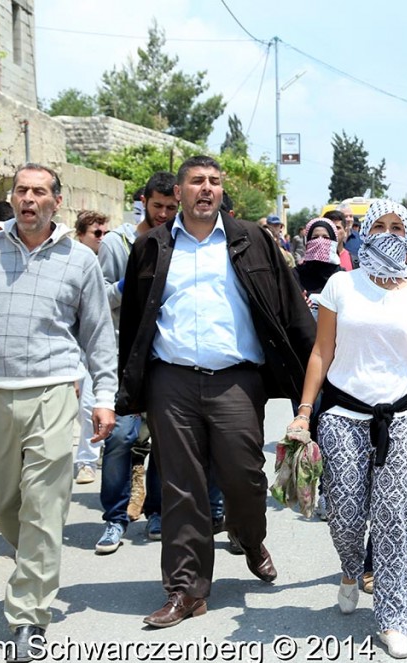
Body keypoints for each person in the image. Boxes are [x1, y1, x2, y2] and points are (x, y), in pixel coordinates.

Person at [117, 155, 315, 628]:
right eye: (196, 182)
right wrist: (128, 388)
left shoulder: (252, 239)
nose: (206, 188)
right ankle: (187, 590)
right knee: (182, 486)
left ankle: (250, 537)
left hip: (236, 379)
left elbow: (290, 309)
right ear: (180, 192)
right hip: (172, 379)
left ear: (222, 191)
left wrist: (314, 388)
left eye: (214, 181)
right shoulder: (152, 246)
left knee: (245, 477)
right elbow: (132, 323)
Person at [0, 163, 118, 663]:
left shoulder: (80, 260)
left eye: (39, 191)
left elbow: (99, 336)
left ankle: (27, 614)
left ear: (57, 201)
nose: (29, 199)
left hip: (55, 393)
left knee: (43, 504)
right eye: (21, 191)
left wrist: (105, 396)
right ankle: (34, 558)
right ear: (12, 199)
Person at [291, 199, 407, 659]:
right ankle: (349, 567)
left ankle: (394, 617)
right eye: (378, 225)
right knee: (344, 514)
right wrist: (304, 411)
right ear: (362, 231)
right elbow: (321, 352)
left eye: (397, 226)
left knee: (396, 519)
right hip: (342, 416)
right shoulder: (341, 284)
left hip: (402, 418)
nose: (388, 232)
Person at [94, 171, 178, 554]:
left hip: (162, 357)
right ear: (143, 201)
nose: (163, 213)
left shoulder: (182, 242)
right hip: (120, 355)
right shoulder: (117, 243)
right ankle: (114, 517)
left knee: (162, 438)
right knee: (119, 437)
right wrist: (129, 286)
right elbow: (97, 299)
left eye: (170, 207)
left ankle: (157, 511)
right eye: (157, 206)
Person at [71, 210, 111, 485]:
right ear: (80, 236)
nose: (102, 238)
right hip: (74, 347)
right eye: (96, 233)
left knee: (93, 404)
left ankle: (88, 459)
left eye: (105, 233)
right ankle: (87, 459)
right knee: (84, 407)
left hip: (102, 344)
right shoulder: (70, 262)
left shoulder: (105, 262)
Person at [295, 217, 344, 308]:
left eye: (325, 237)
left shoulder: (342, 276)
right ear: (308, 241)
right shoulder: (295, 275)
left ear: (333, 241)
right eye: (315, 237)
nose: (320, 241)